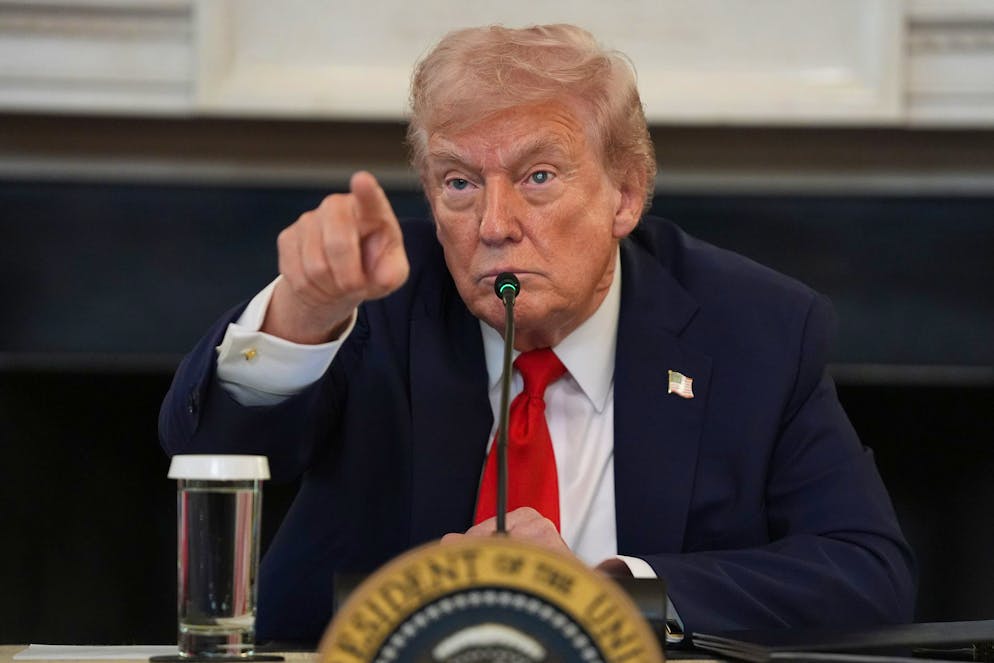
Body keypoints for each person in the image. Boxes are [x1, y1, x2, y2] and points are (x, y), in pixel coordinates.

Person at [160, 24, 916, 644]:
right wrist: (303, 312)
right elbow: (207, 454)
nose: (494, 225)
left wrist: (607, 591)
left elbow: (866, 574)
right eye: (459, 183)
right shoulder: (379, 298)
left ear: (625, 195)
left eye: (538, 177)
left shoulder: (755, 329)